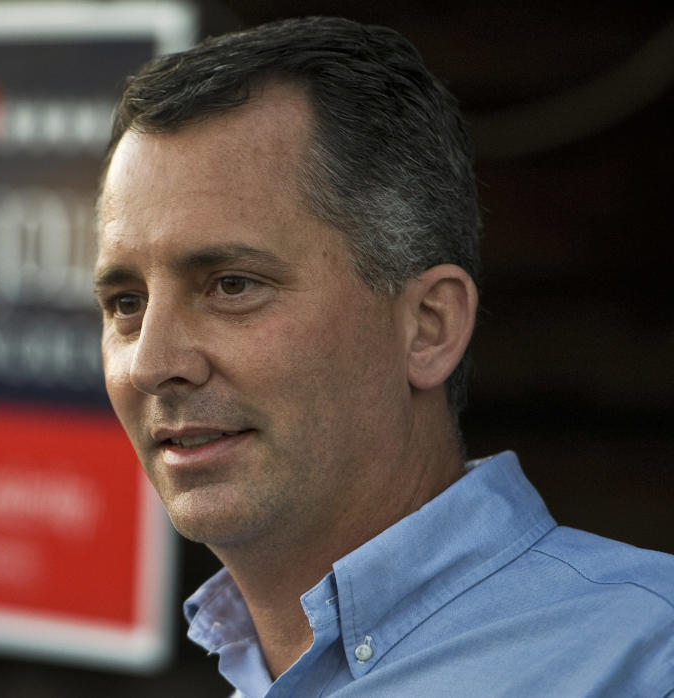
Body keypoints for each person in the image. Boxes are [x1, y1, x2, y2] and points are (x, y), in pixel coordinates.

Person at [92, 15, 674, 697]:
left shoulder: (644, 662)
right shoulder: (255, 663)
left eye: (232, 286)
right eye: (126, 303)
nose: (151, 363)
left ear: (429, 326)